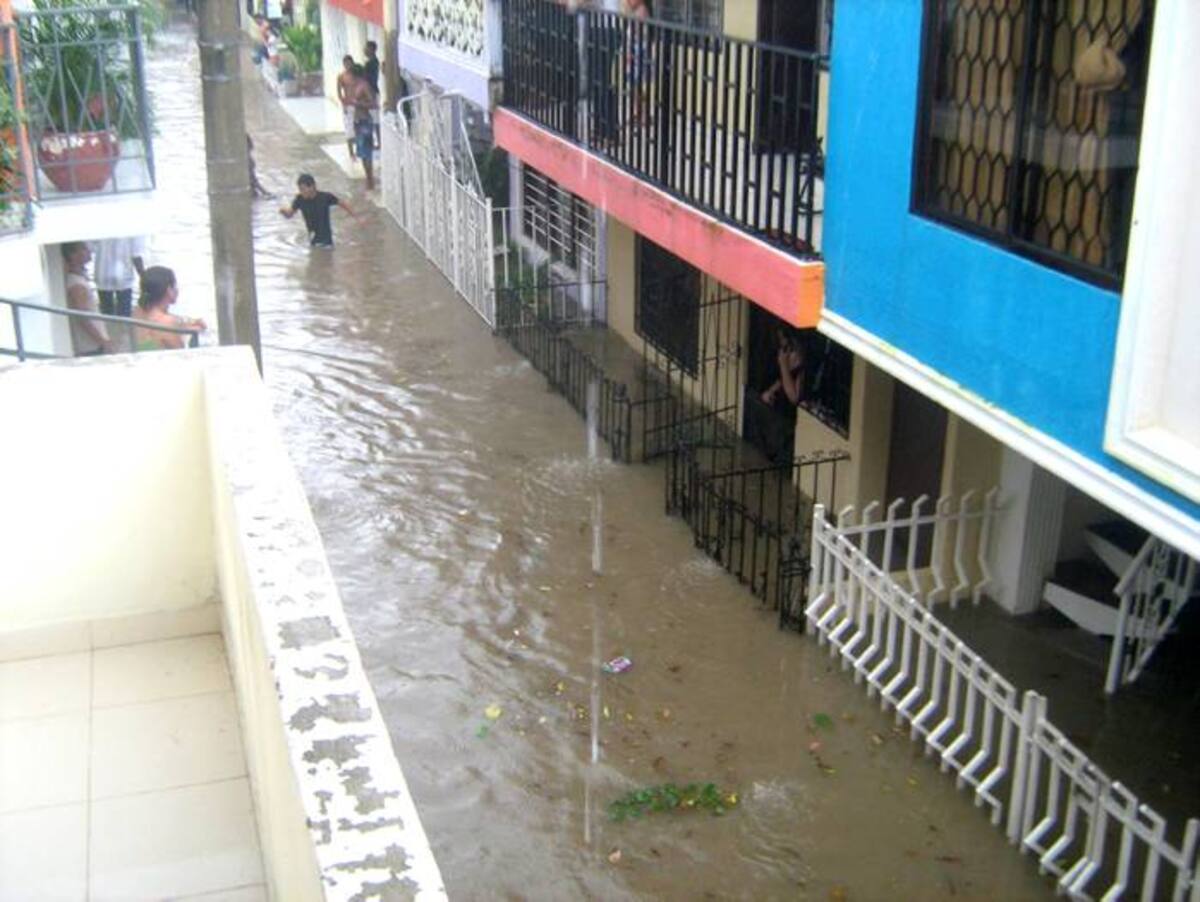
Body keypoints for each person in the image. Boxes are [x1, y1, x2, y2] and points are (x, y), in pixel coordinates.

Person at [133, 266, 207, 351]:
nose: (177, 290)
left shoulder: (137, 312)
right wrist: (191, 333)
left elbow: (157, 334)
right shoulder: (167, 322)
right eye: (175, 286)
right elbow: (181, 353)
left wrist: (187, 327)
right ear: (169, 291)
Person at [62, 242, 115, 356]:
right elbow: (83, 318)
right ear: (73, 255)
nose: (89, 251)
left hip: (92, 345)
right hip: (91, 347)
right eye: (84, 249)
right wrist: (103, 342)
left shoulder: (78, 279)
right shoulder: (77, 285)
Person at [280, 173, 356, 248]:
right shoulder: (299, 199)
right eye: (300, 189)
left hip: (327, 242)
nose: (301, 192)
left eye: (303, 189)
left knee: (326, 253)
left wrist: (356, 217)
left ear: (312, 186)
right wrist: (283, 211)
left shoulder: (325, 197)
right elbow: (290, 214)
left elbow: (343, 204)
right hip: (313, 241)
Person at [93, 235, 146, 319]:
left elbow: (90, 245)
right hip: (123, 276)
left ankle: (107, 326)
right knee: (124, 315)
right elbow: (136, 255)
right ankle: (122, 327)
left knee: (106, 313)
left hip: (103, 271)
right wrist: (144, 277)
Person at [761, 332, 805, 407]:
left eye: (791, 350)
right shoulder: (775, 373)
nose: (786, 355)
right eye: (785, 350)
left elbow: (794, 398)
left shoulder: (800, 373)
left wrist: (784, 365)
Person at [350, 66, 376, 190]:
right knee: (362, 152)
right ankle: (368, 179)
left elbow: (373, 103)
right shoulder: (357, 86)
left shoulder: (364, 86)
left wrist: (358, 103)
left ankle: (370, 180)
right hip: (358, 121)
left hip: (364, 121)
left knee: (367, 152)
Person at [337, 55, 359, 161]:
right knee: (349, 130)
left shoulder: (357, 75)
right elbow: (339, 92)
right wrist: (344, 104)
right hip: (348, 105)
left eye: (349, 63)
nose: (348, 65)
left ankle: (359, 150)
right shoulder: (341, 76)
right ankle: (351, 153)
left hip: (358, 104)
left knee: (358, 128)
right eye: (346, 63)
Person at [363, 41, 382, 150]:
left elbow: (369, 80)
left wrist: (370, 95)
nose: (364, 50)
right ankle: (376, 141)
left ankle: (378, 142)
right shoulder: (372, 62)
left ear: (371, 49)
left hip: (372, 93)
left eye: (366, 48)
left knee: (374, 119)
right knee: (373, 119)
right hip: (371, 92)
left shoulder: (372, 63)